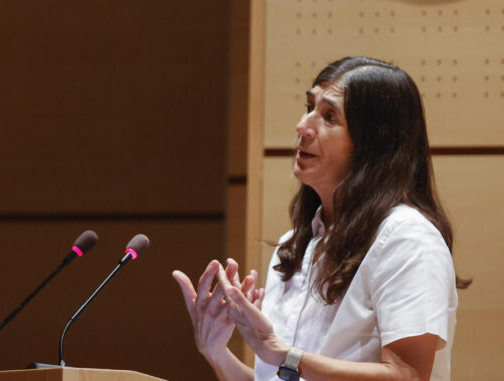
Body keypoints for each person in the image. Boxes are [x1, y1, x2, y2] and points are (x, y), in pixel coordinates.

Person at [172, 56, 469, 381]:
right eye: (309, 107)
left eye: (329, 116)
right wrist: (216, 352)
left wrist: (283, 353)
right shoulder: (295, 245)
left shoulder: (408, 239)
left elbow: (407, 374)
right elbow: (279, 374)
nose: (303, 126)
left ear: (374, 143)